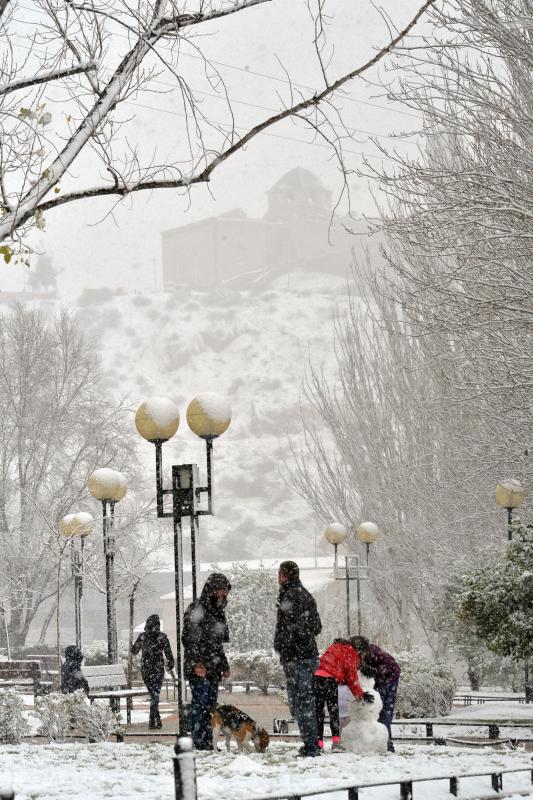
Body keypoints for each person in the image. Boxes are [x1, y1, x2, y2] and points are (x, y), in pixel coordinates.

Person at [274, 560, 322, 758]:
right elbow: (317, 627)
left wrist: (285, 642)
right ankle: (311, 743)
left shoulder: (290, 596)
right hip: (309, 655)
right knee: (305, 702)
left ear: (283, 575)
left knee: (300, 704)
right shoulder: (306, 595)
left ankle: (311, 745)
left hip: (296, 658)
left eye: (279, 574)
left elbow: (292, 627)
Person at [182, 572, 232, 751]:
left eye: (226, 590)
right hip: (200, 668)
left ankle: (207, 741)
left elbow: (217, 644)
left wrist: (224, 665)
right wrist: (197, 663)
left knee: (210, 707)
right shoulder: (197, 609)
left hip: (212, 666)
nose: (224, 594)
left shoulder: (217, 611)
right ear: (213, 590)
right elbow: (188, 638)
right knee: (201, 706)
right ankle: (200, 741)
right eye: (222, 590)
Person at [313, 637, 374, 752]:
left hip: (317, 678)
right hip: (329, 680)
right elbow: (352, 678)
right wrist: (360, 694)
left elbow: (332, 664)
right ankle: (336, 743)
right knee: (333, 712)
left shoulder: (336, 646)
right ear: (360, 649)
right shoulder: (351, 653)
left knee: (319, 712)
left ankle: (318, 743)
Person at [351, 635, 401, 752]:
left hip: (390, 678)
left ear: (362, 649)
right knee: (380, 711)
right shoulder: (368, 654)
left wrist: (372, 672)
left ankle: (387, 744)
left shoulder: (372, 654)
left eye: (357, 652)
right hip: (384, 678)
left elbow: (381, 670)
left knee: (385, 711)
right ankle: (381, 742)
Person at [132, 613, 175, 729]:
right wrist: (170, 664)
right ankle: (155, 718)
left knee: (153, 694)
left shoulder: (143, 636)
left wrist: (138, 643)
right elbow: (169, 654)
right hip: (158, 668)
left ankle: (153, 718)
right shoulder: (162, 637)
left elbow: (134, 651)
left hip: (146, 668)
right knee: (155, 693)